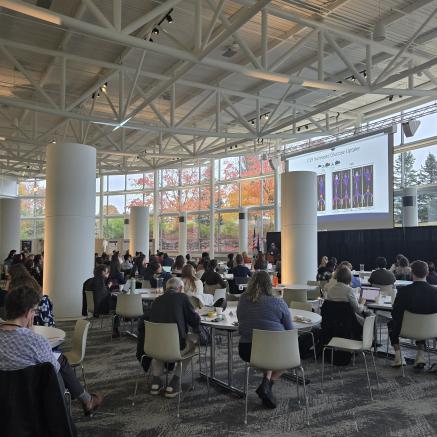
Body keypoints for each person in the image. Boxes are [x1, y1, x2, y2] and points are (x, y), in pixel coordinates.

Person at [0, 286, 103, 415]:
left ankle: (88, 400)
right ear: (27, 312)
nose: (34, 315)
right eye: (34, 311)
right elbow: (53, 371)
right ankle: (86, 401)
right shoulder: (36, 342)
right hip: (34, 399)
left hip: (4, 401)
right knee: (59, 363)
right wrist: (31, 334)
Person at [136, 277, 200, 398]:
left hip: (153, 347)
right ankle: (174, 383)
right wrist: (195, 313)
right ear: (180, 288)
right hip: (174, 348)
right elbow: (194, 320)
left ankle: (156, 382)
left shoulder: (156, 300)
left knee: (161, 344)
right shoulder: (182, 297)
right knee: (193, 344)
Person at [237, 271, 293, 409]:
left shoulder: (243, 299)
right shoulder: (278, 302)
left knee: (266, 352)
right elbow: (290, 330)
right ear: (270, 285)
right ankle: (267, 385)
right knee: (287, 356)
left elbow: (241, 321)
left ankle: (266, 384)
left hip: (246, 349)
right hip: (272, 350)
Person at [388, 260, 437, 368]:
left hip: (405, 330)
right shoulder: (435, 292)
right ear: (427, 273)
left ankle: (399, 357)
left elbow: (395, 313)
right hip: (431, 330)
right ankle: (420, 355)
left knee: (391, 324)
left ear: (412, 273)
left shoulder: (403, 291)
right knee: (422, 323)